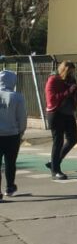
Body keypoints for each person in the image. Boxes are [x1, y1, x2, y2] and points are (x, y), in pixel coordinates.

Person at [44, 61, 77, 180]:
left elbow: (71, 96)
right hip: (56, 114)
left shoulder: (71, 80)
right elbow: (52, 99)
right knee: (58, 141)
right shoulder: (53, 80)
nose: (71, 74)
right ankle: (55, 170)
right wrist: (69, 91)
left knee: (73, 139)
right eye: (70, 72)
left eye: (73, 72)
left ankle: (54, 162)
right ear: (64, 70)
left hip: (68, 113)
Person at [0, 69, 28, 198]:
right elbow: (22, 117)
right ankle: (10, 187)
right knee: (10, 162)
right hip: (12, 135)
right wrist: (21, 131)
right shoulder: (17, 96)